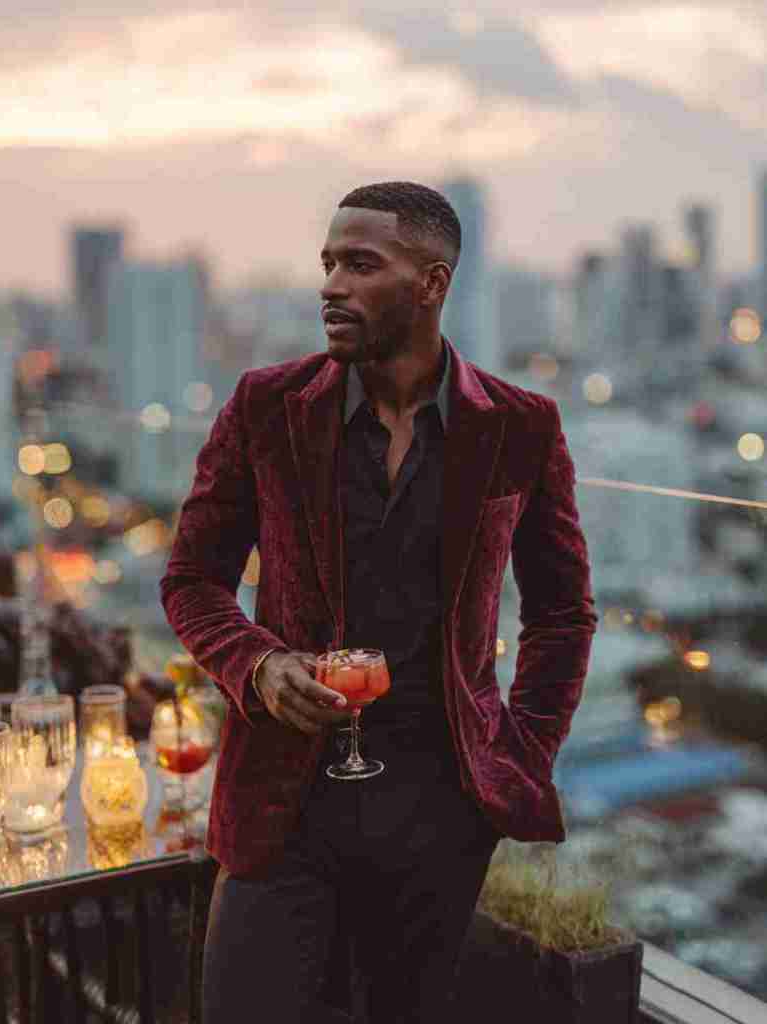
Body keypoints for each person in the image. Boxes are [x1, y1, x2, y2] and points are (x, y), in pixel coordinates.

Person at [160, 181, 597, 1023]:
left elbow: (562, 613)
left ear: (431, 283)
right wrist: (258, 665)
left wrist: (521, 751)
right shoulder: (265, 406)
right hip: (283, 796)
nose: (330, 286)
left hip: (441, 808)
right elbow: (191, 579)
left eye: (360, 265)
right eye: (327, 263)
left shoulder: (520, 425)